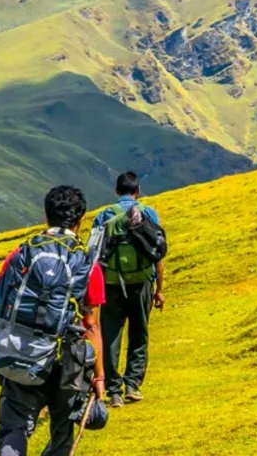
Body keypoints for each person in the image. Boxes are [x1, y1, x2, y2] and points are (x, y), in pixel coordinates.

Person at [0, 185, 107, 456]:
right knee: (62, 432)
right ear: (81, 220)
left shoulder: (22, 253)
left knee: (13, 427)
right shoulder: (89, 264)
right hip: (67, 362)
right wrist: (99, 376)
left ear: (46, 216)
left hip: (20, 350)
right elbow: (92, 325)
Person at [93, 171, 164, 408]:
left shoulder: (104, 215)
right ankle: (132, 385)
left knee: (110, 335)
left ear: (116, 191)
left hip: (110, 286)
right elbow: (158, 253)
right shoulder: (148, 213)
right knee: (139, 333)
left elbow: (93, 255)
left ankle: (114, 391)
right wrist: (159, 289)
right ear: (138, 191)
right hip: (142, 283)